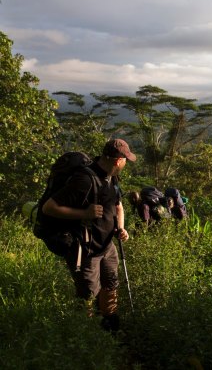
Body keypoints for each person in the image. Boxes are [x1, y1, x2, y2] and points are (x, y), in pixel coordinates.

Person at [42, 138, 136, 332]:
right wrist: (84, 214)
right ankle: (86, 334)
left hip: (107, 245)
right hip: (85, 248)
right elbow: (49, 208)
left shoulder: (113, 177)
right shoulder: (84, 180)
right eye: (126, 160)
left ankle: (110, 328)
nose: (126, 163)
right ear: (118, 160)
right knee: (88, 294)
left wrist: (121, 227)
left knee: (110, 285)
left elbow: (118, 206)